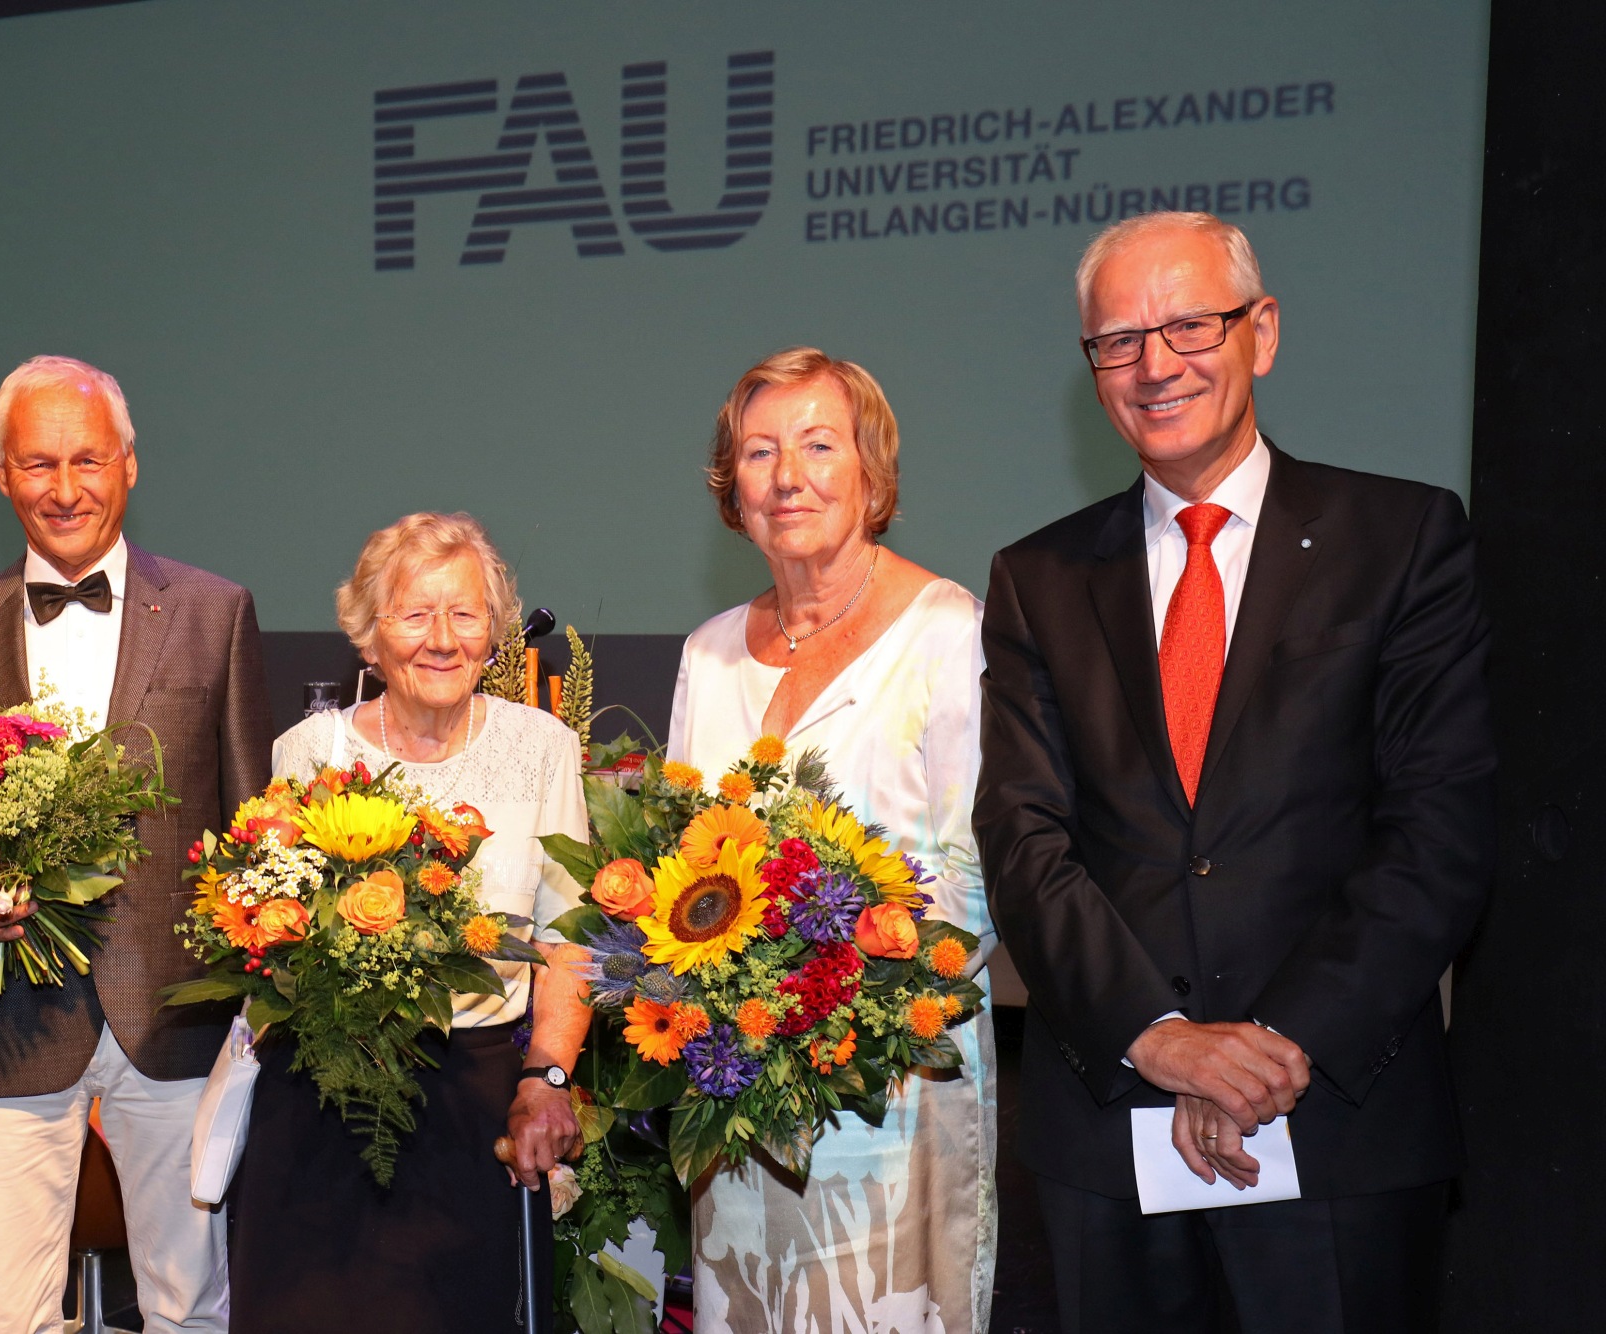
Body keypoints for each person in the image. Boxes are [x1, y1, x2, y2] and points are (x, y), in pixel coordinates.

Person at [973, 212, 1494, 1333]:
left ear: (1259, 332)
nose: (1153, 364)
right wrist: (1158, 1040)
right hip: (1110, 1131)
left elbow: (1436, 831)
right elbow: (1022, 841)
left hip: (1337, 1117)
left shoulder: (1399, 538)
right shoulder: (1034, 578)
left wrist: (1272, 1048)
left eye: (1186, 325)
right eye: (1116, 340)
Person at [0, 355, 273, 1334]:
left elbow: (253, 832)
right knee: (11, 1313)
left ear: (130, 464)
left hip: (176, 1018)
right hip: (8, 1018)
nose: (64, 488)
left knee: (190, 1305)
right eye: (37, 464)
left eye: (87, 459)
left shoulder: (213, 612)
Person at [668, 348, 997, 1333]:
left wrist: (823, 983)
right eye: (759, 451)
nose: (786, 474)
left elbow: (974, 876)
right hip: (734, 1096)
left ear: (870, 471)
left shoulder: (945, 628)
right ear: (734, 489)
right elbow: (682, 862)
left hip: (888, 1099)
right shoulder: (708, 649)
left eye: (818, 444)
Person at [231, 511, 591, 1333]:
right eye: (414, 614)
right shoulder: (307, 754)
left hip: (475, 1107)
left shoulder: (544, 748)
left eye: (464, 614)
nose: (442, 638)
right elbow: (269, 934)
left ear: (494, 629)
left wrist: (549, 1079)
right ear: (368, 635)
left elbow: (568, 934)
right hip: (322, 1097)